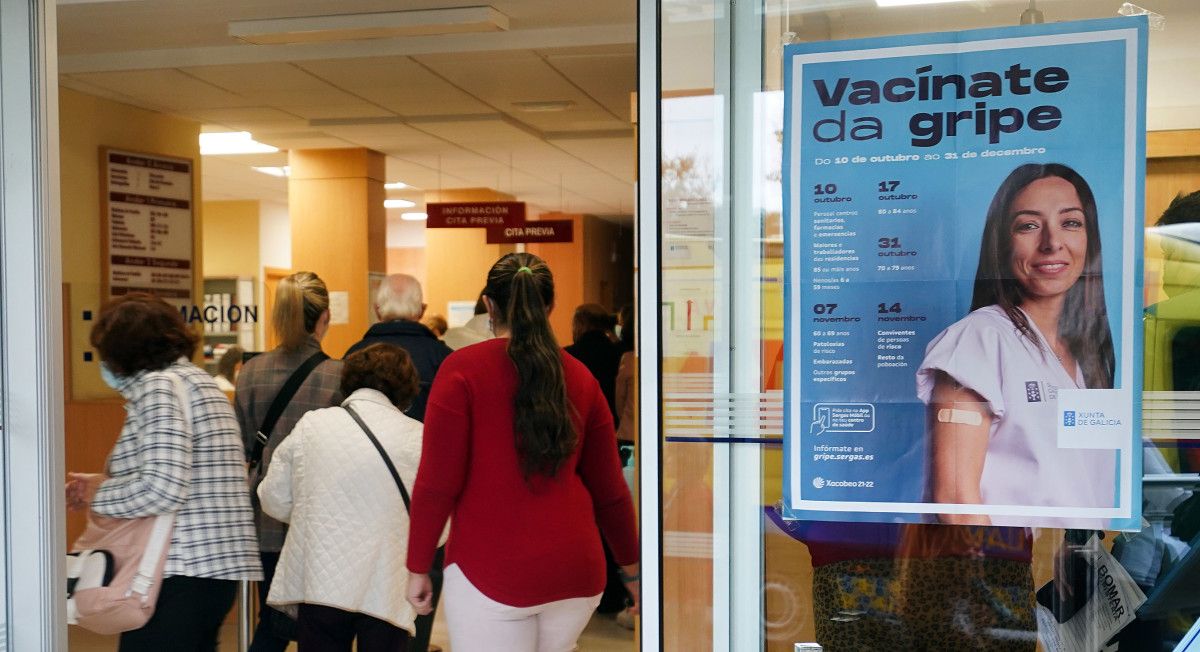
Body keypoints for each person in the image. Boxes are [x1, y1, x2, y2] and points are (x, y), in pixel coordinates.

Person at [405, 253, 640, 652]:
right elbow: (610, 491)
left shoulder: (461, 371)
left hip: (492, 570)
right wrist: (633, 573)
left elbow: (436, 483)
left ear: (489, 306)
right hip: (576, 574)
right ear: (550, 306)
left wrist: (417, 566)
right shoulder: (580, 377)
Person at [916, 163, 1115, 526]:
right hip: (1012, 575)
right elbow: (956, 502)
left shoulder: (1089, 352)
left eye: (1070, 223)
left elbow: (1086, 485)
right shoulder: (979, 339)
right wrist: (1004, 580)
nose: (1052, 242)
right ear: (1002, 243)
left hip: (1076, 572)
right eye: (1029, 225)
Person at [67, 294, 262, 651]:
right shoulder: (199, 382)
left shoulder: (160, 387)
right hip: (210, 570)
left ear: (125, 351)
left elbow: (163, 488)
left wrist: (100, 495)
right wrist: (102, 485)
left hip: (177, 568)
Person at [258, 343, 429, 652]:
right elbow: (435, 523)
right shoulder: (418, 436)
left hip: (321, 582)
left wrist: (315, 511)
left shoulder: (313, 424)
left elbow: (272, 497)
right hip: (387, 584)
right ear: (407, 388)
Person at [236, 271, 344, 652]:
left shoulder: (249, 374)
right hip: (321, 520)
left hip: (265, 519)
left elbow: (245, 448)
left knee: (274, 621)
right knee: (322, 628)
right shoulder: (340, 376)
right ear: (325, 317)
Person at [346, 273, 452, 422]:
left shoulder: (354, 355)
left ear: (376, 309)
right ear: (422, 310)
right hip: (425, 443)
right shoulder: (444, 358)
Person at [565, 303, 622, 419]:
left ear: (580, 324)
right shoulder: (619, 353)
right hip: (611, 419)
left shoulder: (568, 355)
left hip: (577, 420)